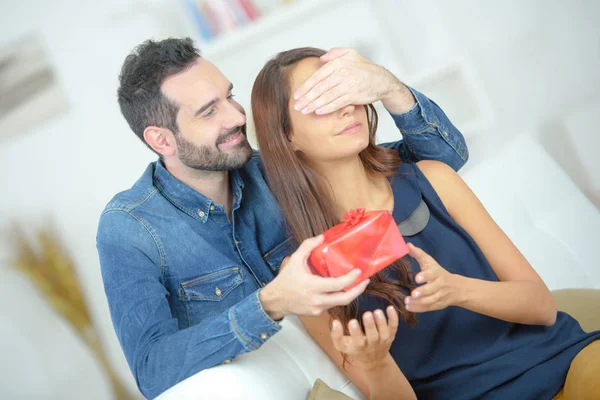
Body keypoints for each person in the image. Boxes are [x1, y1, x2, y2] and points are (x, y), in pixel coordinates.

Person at [96, 38, 468, 399]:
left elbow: (438, 165)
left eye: (229, 96)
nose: (237, 116)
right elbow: (151, 370)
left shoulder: (273, 171)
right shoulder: (129, 229)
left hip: (377, 371)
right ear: (162, 141)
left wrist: (389, 88)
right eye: (209, 111)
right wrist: (270, 303)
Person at [251, 47, 600, 400]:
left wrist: (456, 290)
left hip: (564, 362)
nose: (345, 106)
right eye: (321, 101)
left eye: (344, 89)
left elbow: (541, 306)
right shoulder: (303, 275)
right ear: (287, 137)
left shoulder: (434, 179)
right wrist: (374, 364)